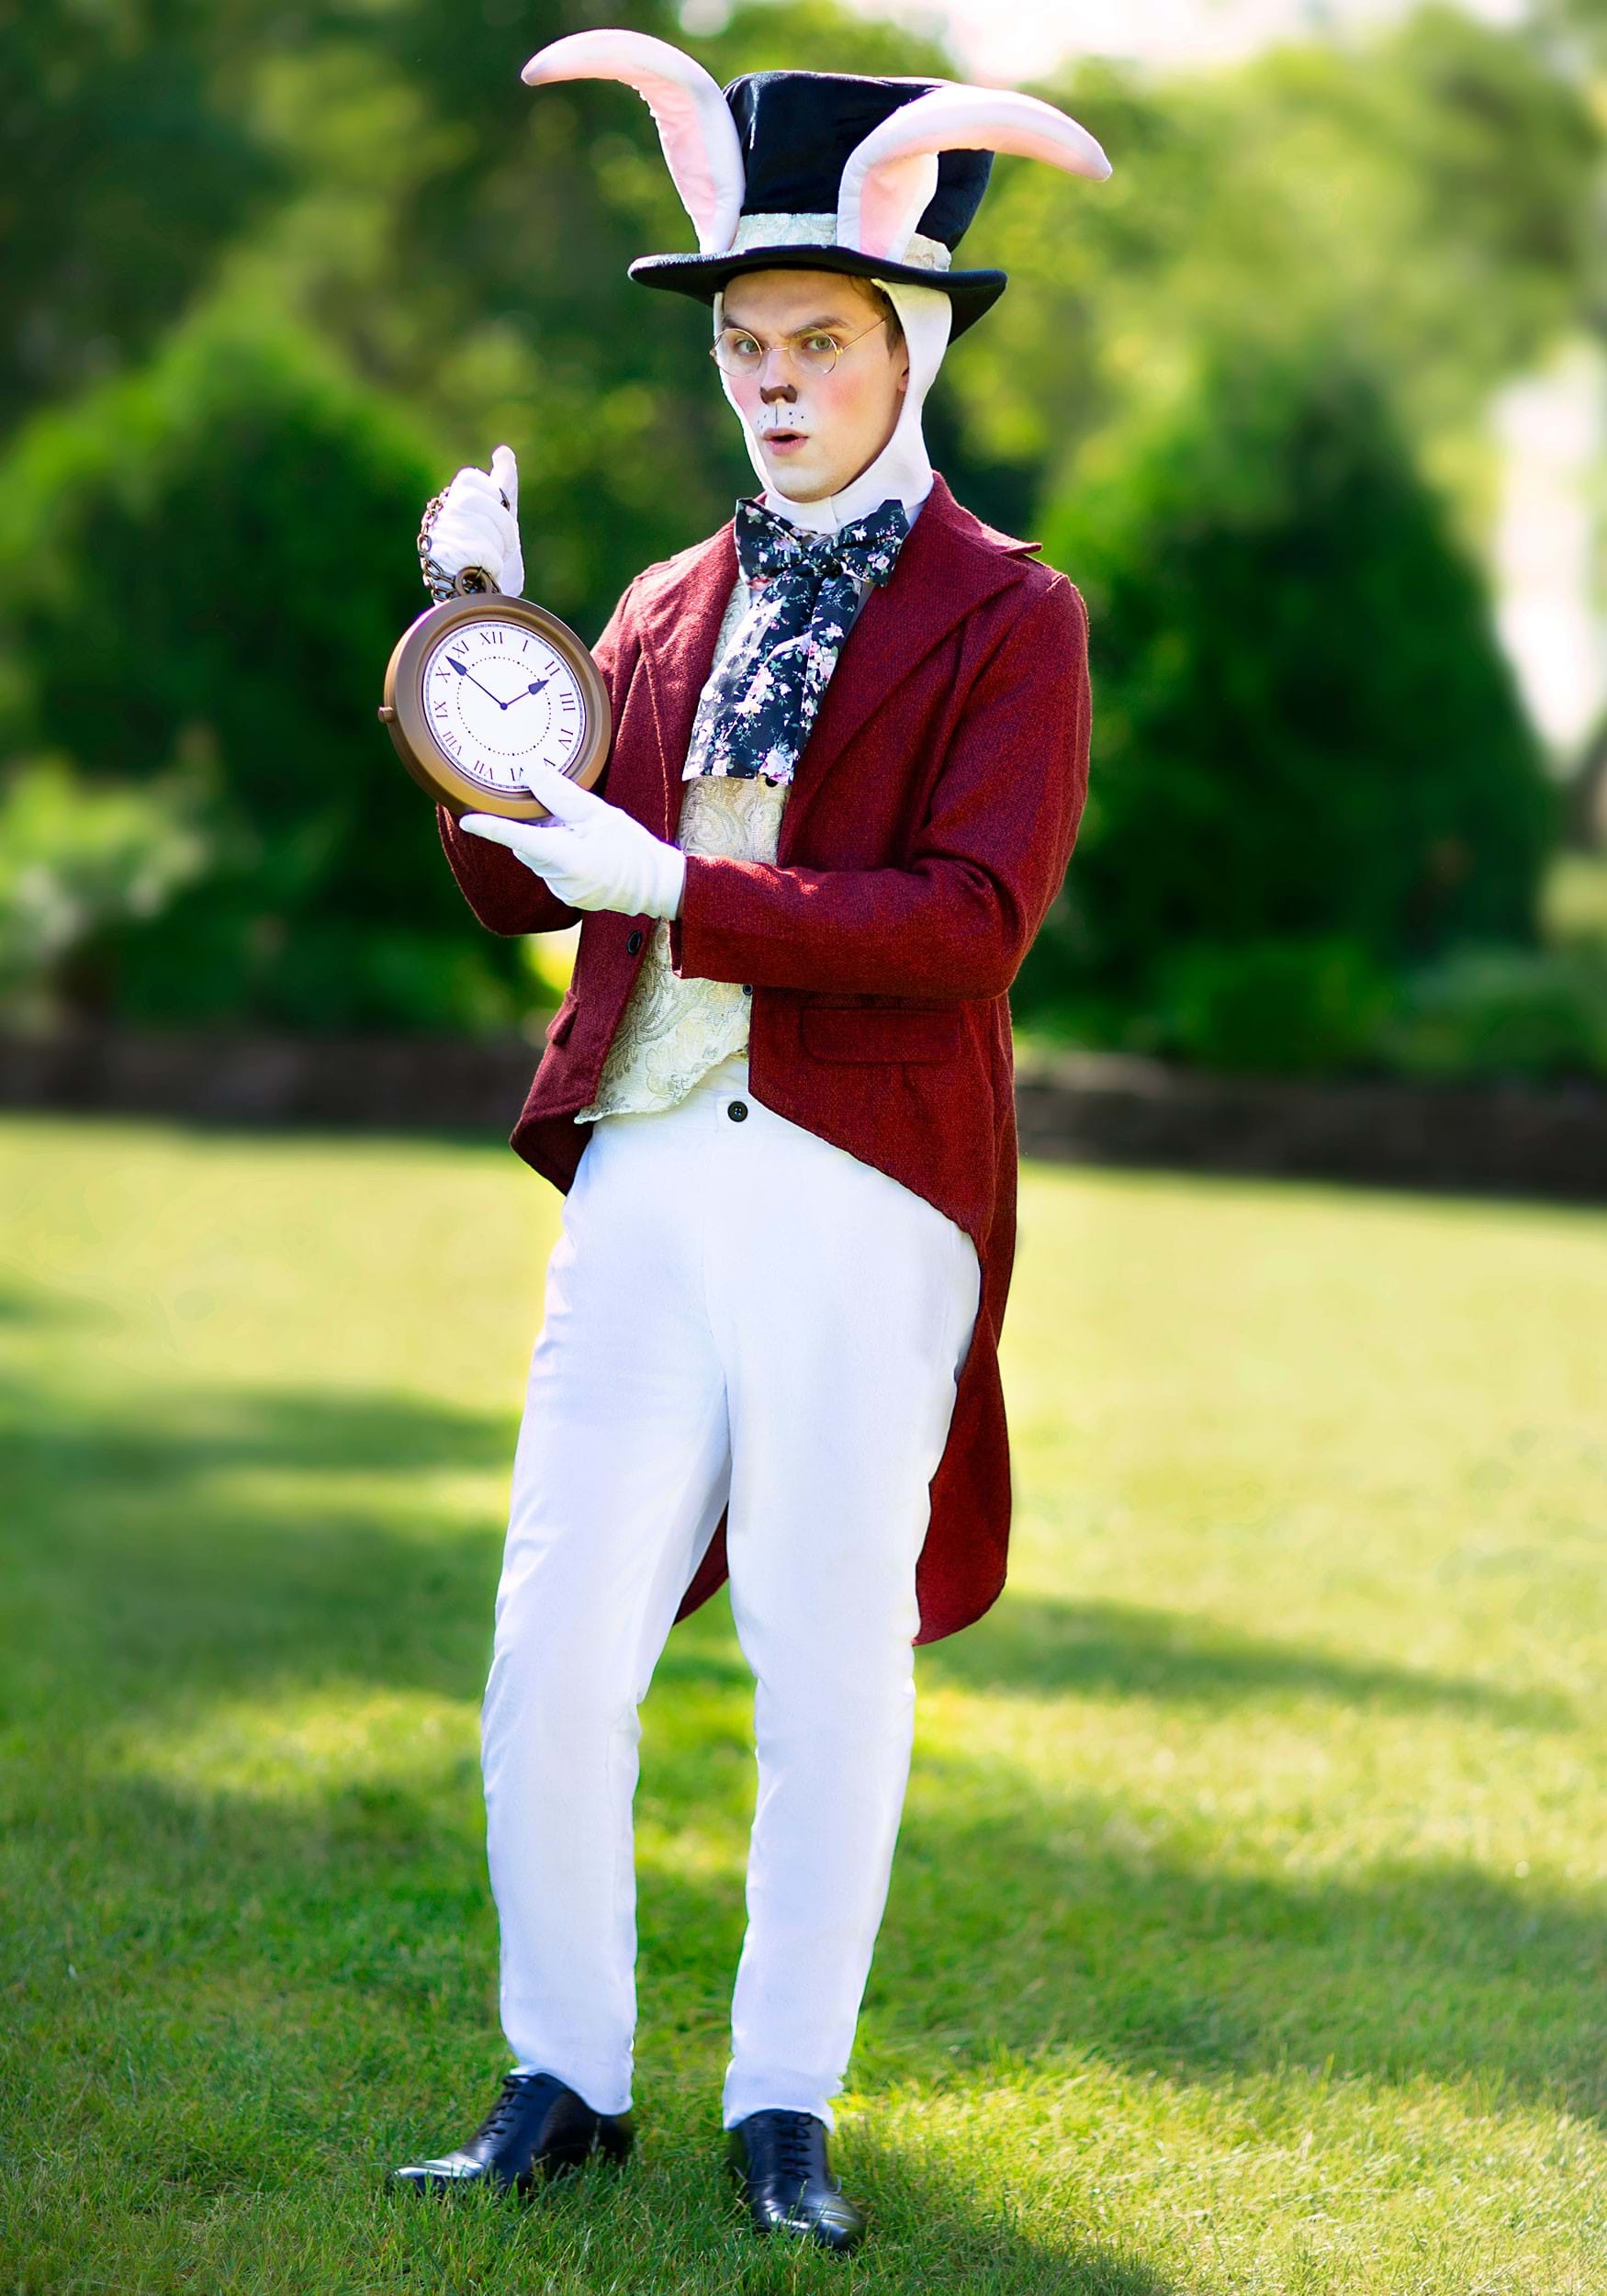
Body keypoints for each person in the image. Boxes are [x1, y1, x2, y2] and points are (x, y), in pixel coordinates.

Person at [391, 34, 1109, 2255]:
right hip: (644, 1162)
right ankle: (561, 2077)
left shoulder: (1012, 614)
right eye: (743, 346)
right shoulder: (656, 602)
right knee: (550, 1637)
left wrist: (678, 886)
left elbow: (969, 921)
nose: (773, 382)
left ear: (907, 345)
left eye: (816, 342)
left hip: (864, 1183)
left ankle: (781, 2101)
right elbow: (515, 877)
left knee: (824, 1653)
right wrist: (471, 650)